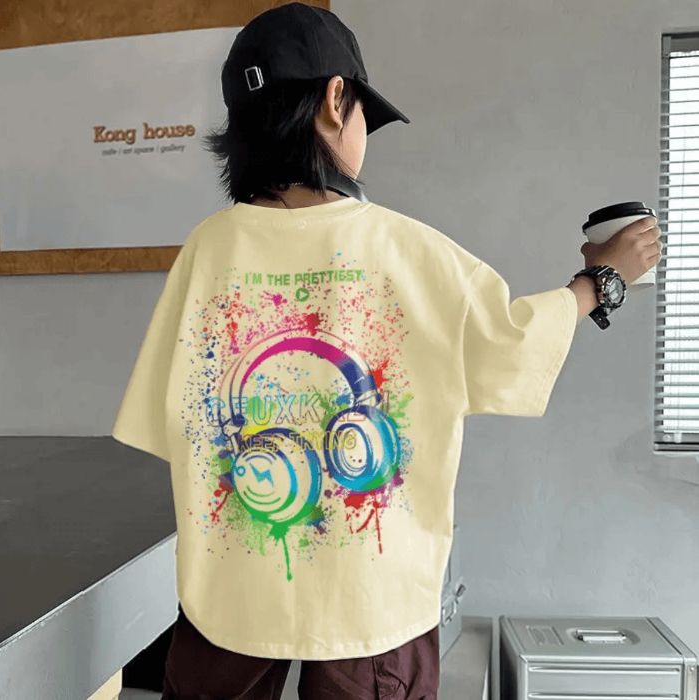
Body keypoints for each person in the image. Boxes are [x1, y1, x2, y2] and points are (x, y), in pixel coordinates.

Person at [111, 3, 662, 699]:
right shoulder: (409, 251)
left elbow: (169, 418)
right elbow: (511, 344)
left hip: (231, 597)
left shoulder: (205, 252)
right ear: (334, 99)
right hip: (371, 604)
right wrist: (599, 282)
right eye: (364, 115)